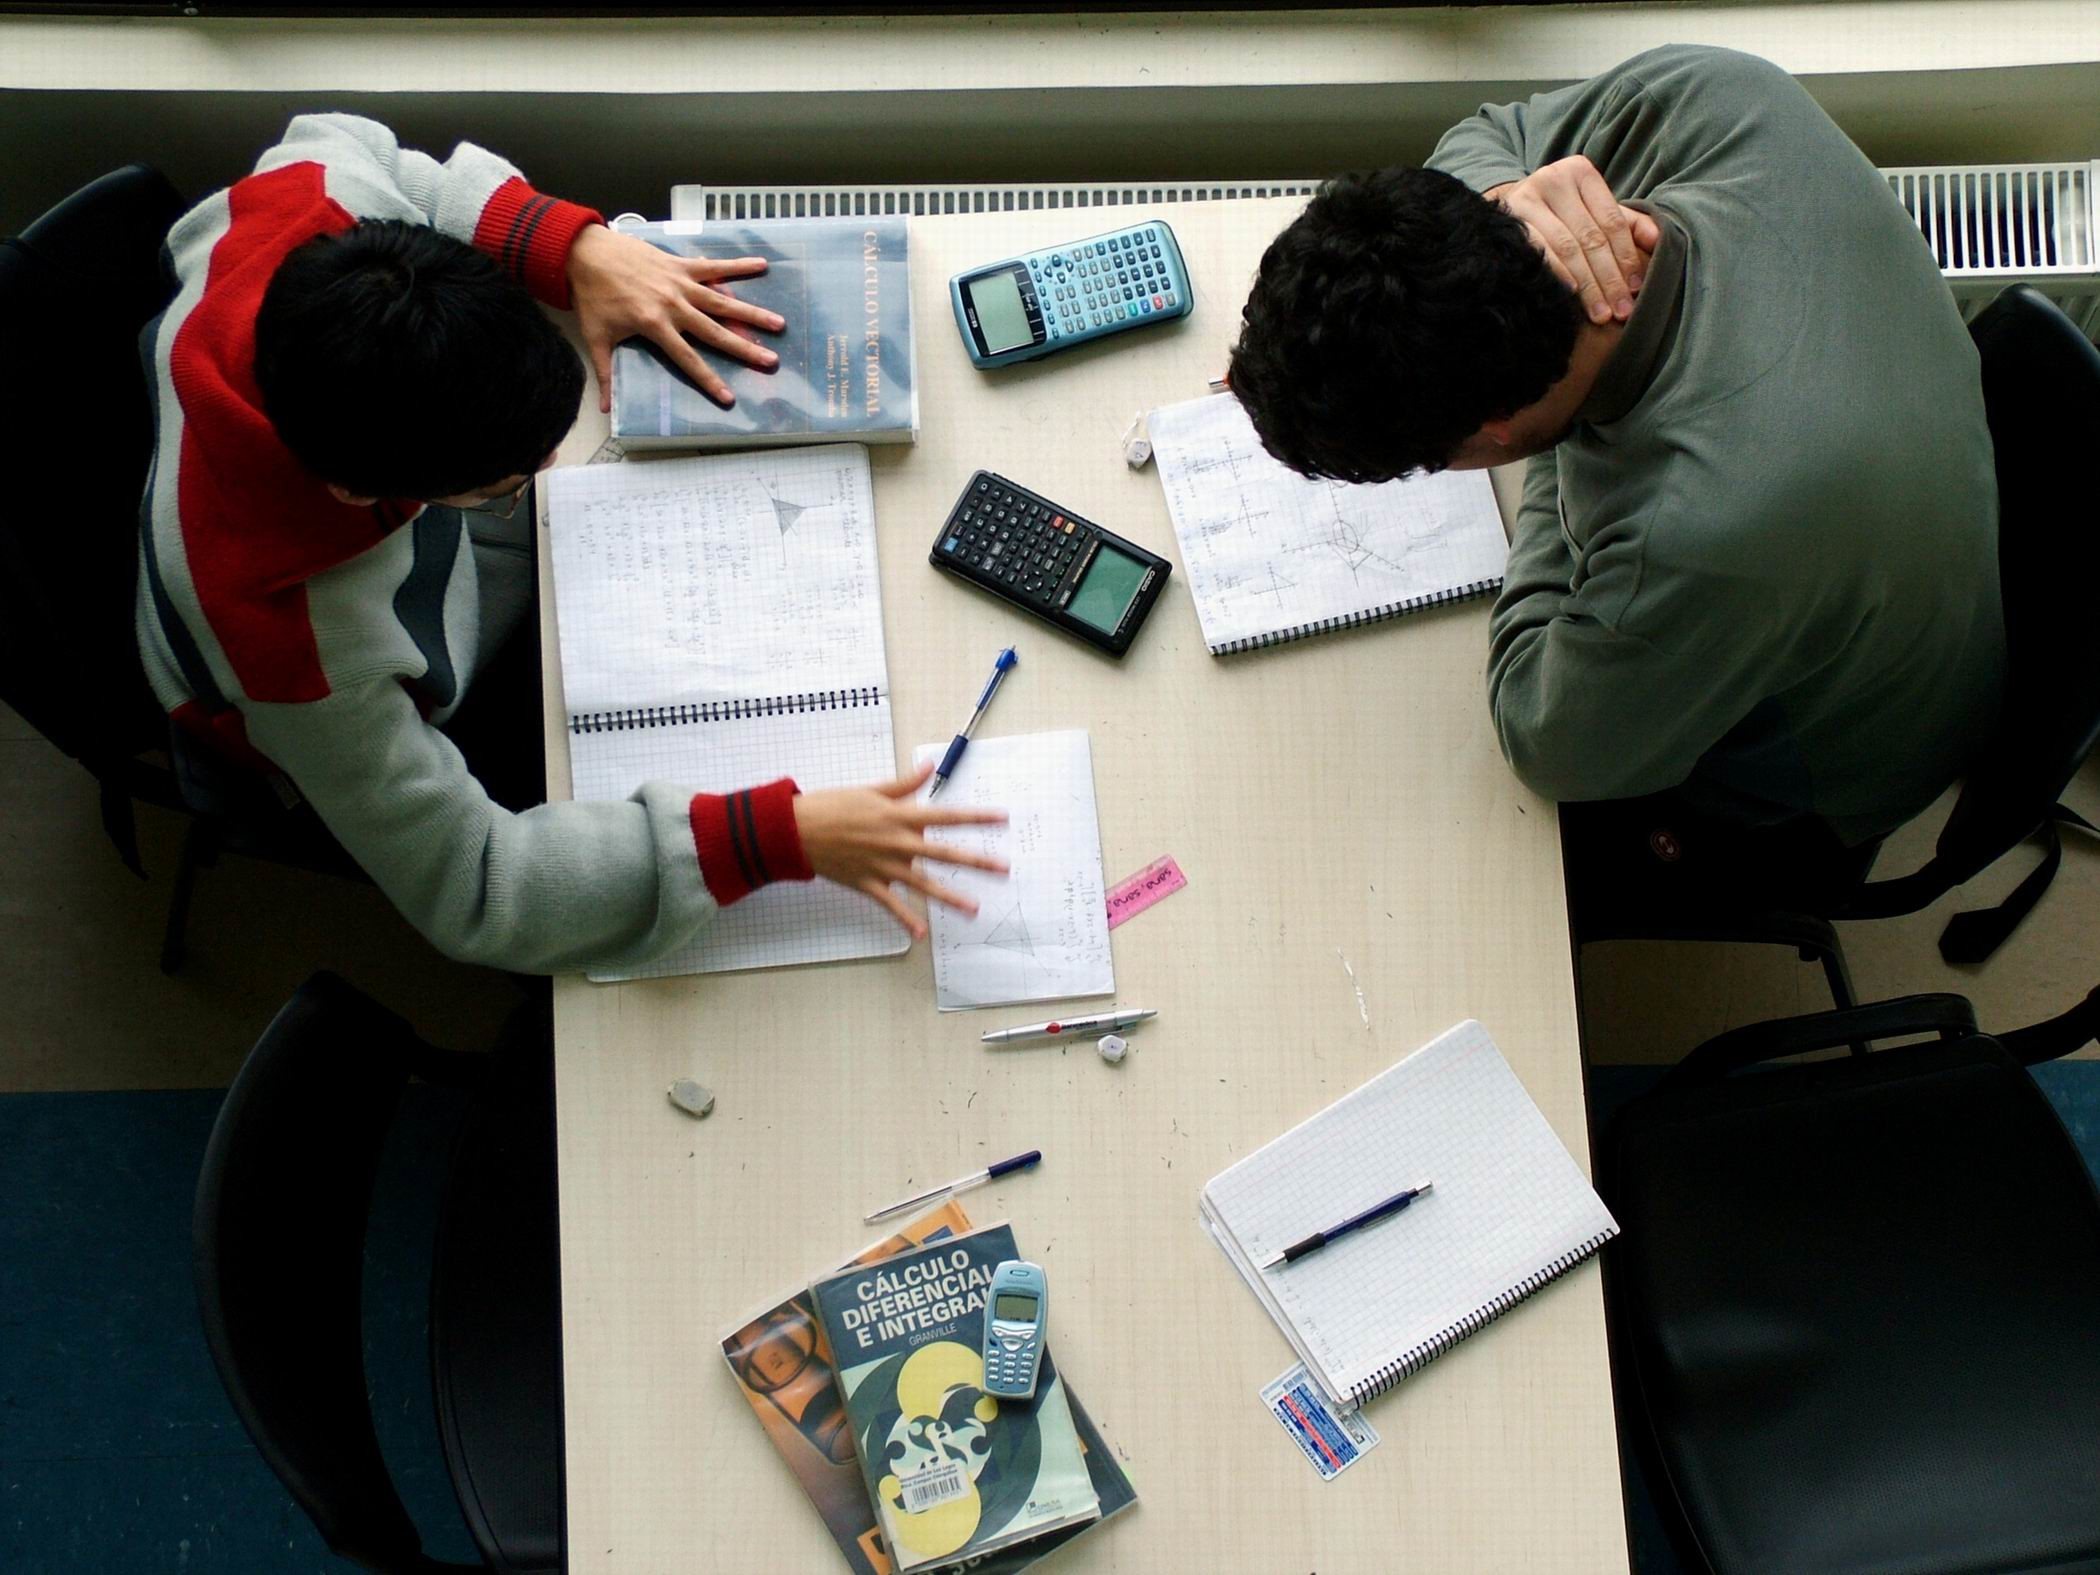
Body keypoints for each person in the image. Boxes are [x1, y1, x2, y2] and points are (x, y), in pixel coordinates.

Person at [137, 114, 1001, 972]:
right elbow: (478, 886)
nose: (550, 464)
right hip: (336, 696)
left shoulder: (313, 201)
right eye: (509, 479)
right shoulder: (301, 656)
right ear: (364, 492)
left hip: (419, 557)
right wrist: (771, 836)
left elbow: (353, 139)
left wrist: (575, 252)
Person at [1227, 45, 2004, 910]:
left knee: (1478, 865)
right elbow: (1490, 134)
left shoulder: (1698, 532)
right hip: (1897, 539)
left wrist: (1561, 456)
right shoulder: (1718, 96)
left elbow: (1545, 734)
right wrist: (1503, 206)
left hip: (1832, 759)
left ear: (1490, 430)